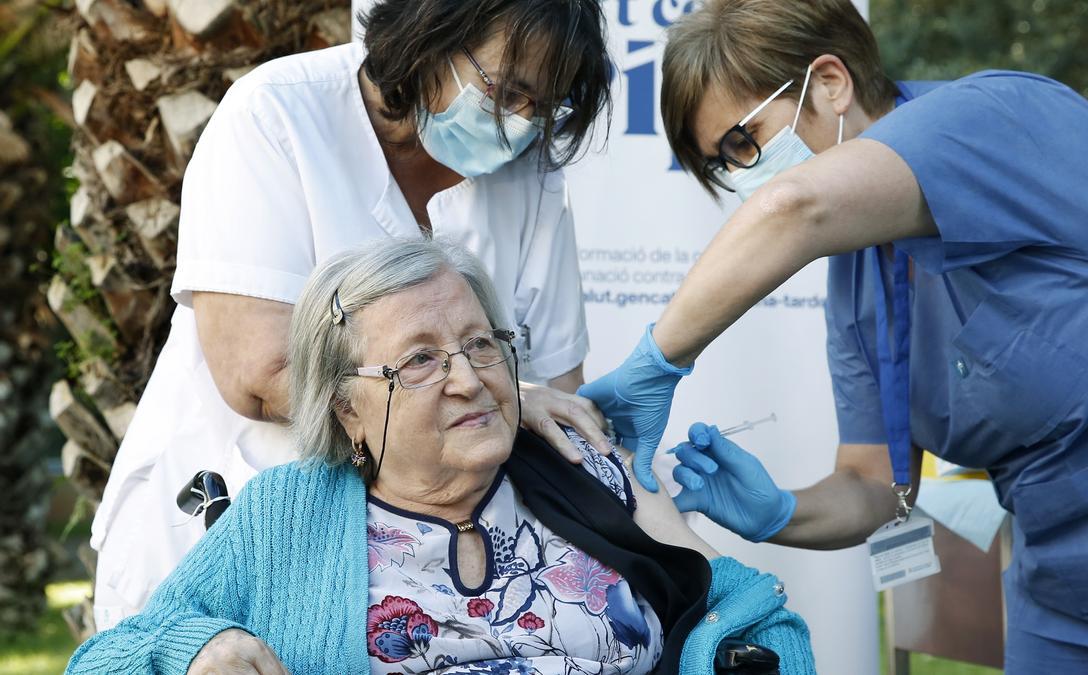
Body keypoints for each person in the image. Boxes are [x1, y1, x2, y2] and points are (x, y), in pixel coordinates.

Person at [579, 0, 1088, 670]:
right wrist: (779, 511)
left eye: (743, 140)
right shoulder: (859, 280)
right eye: (723, 163)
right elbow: (878, 487)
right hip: (1059, 588)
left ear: (830, 83)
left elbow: (793, 207)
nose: (743, 175)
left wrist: (657, 361)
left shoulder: (987, 120)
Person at [92, 0, 617, 629]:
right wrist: (493, 399)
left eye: (546, 106)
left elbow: (558, 392)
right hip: (223, 524)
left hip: (424, 583)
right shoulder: (277, 114)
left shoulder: (531, 176)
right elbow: (259, 371)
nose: (520, 124)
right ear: (432, 31)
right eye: (507, 92)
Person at [66, 237, 816, 675]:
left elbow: (753, 613)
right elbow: (106, 658)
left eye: (480, 342)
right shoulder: (286, 514)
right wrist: (198, 645)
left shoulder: (577, 464)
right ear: (345, 408)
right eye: (419, 360)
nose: (470, 378)